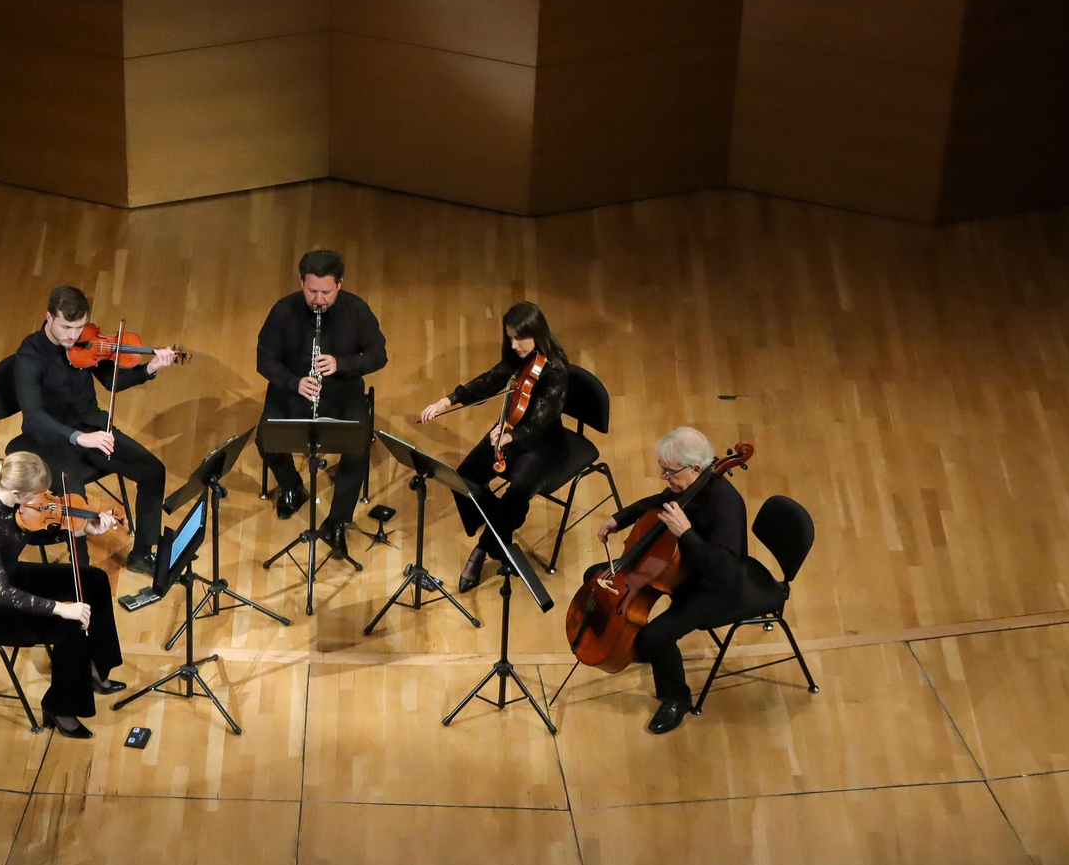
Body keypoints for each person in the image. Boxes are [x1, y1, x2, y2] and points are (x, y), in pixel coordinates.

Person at [0, 452, 126, 739]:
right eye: (37, 496)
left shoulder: (13, 500)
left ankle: (94, 668)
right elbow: (2, 594)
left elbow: (35, 525)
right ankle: (61, 707)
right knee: (70, 624)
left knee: (96, 580)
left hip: (11, 577)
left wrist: (81, 528)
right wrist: (61, 608)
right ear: (16, 494)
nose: (44, 501)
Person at [592, 426, 747, 735]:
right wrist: (618, 520)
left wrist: (685, 533)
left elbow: (724, 570)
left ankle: (677, 698)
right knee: (595, 576)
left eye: (669, 472)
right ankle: (627, 640)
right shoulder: (690, 485)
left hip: (714, 588)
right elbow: (657, 501)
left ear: (696, 469)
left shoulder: (727, 505)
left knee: (655, 636)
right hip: (679, 569)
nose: (664, 478)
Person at [13, 284, 179, 572]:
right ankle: (84, 577)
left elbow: (113, 382)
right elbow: (34, 417)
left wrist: (149, 369)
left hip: (91, 427)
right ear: (49, 317)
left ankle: (142, 554)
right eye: (66, 327)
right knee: (76, 503)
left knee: (153, 470)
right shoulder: (30, 356)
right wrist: (80, 438)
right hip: (50, 441)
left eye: (79, 327)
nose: (73, 336)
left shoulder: (85, 342)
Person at [420, 302, 569, 592]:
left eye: (519, 339)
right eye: (509, 338)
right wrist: (447, 401)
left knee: (516, 494)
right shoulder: (519, 357)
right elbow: (491, 380)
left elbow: (542, 421)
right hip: (510, 429)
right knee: (463, 477)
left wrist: (510, 437)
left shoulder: (557, 369)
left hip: (545, 444)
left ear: (536, 333)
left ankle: (482, 549)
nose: (513, 345)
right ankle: (502, 537)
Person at [256, 249, 387, 555]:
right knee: (266, 438)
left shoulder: (356, 311)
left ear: (340, 284)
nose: (318, 300)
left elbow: (378, 355)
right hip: (294, 390)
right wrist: (294, 382)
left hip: (343, 394)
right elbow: (265, 359)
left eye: (326, 292)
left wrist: (341, 364)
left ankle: (337, 521)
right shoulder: (283, 312)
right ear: (301, 282)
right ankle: (291, 486)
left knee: (358, 446)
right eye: (311, 290)